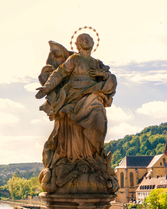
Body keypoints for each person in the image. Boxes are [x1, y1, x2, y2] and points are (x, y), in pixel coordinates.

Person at [36, 33, 117, 193]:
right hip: (73, 95)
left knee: (99, 119)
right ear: (77, 44)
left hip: (93, 95)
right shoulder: (74, 60)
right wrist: (47, 87)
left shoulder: (98, 64)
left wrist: (104, 75)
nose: (85, 40)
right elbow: (59, 74)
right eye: (82, 38)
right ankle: (77, 158)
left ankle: (92, 156)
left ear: (93, 43)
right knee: (71, 121)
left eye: (88, 38)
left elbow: (111, 81)